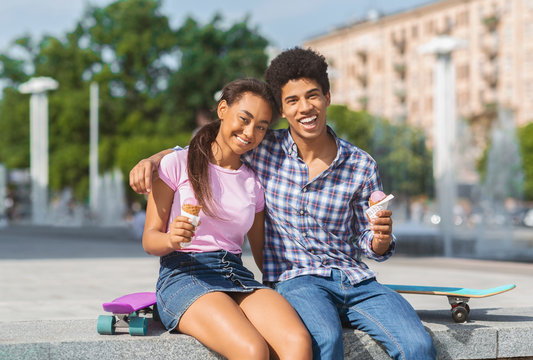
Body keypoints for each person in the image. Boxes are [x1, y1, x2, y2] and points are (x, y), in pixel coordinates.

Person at [131, 49, 436, 360]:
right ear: (283, 109)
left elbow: (365, 243)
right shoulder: (255, 153)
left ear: (327, 97)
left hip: (333, 277)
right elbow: (202, 151)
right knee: (293, 346)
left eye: (312, 96)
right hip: (243, 276)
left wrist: (380, 240)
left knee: (410, 346)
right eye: (292, 101)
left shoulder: (352, 164)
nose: (251, 133)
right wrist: (153, 161)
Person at [142, 78, 312, 360]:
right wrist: (172, 238)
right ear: (222, 109)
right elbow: (150, 239)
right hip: (184, 274)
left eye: (261, 126)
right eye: (244, 119)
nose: (250, 132)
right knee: (252, 350)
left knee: (297, 343)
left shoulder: (253, 182)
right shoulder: (175, 164)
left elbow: (262, 253)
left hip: (236, 274)